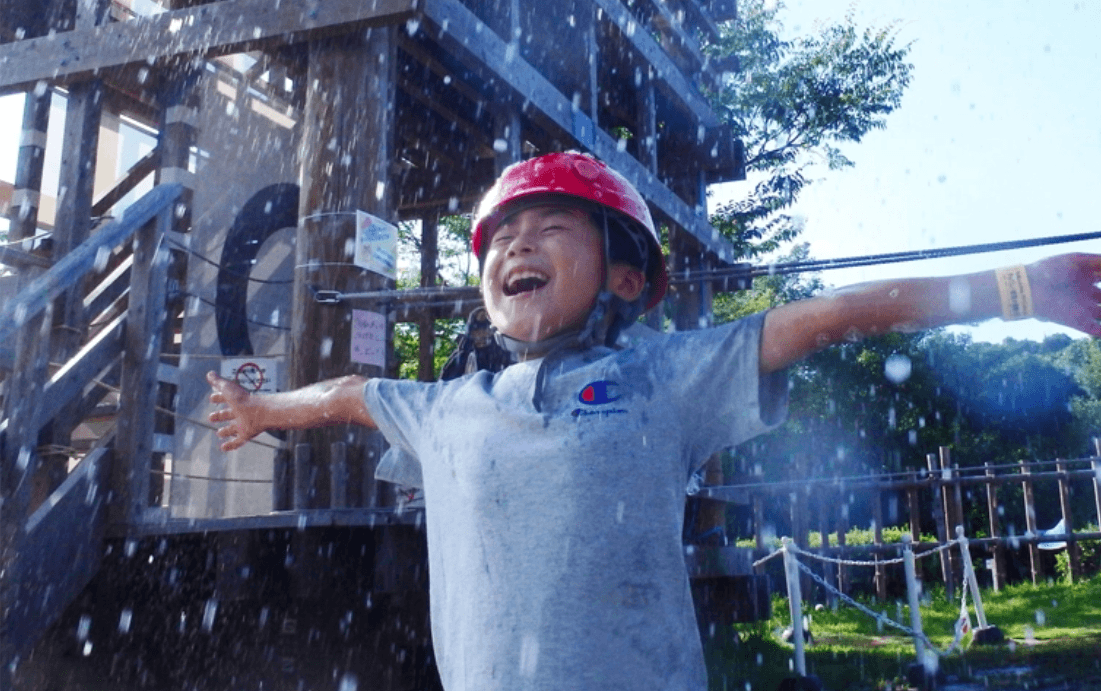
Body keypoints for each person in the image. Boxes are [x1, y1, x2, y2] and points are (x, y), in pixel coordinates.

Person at [207, 152, 1101, 691]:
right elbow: (348, 394)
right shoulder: (448, 408)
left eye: (553, 225)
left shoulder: (664, 377)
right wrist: (258, 408)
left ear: (626, 278)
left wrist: (1014, 289)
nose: (519, 243)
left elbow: (830, 315)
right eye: (504, 236)